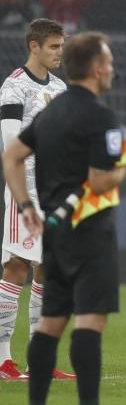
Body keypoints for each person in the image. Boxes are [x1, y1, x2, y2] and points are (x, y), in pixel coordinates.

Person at [2, 32, 126, 405]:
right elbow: (102, 181)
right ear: (98, 69)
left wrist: (27, 206)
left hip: (55, 233)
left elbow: (11, 157)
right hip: (90, 232)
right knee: (89, 324)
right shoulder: (101, 117)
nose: (113, 69)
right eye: (111, 62)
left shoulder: (52, 110)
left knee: (50, 324)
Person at [0, 20, 70, 381]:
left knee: (47, 272)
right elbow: (12, 143)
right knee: (17, 267)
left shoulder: (59, 88)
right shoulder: (14, 87)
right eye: (54, 46)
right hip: (24, 189)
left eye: (61, 45)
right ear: (34, 46)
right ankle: (2, 358)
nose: (60, 52)